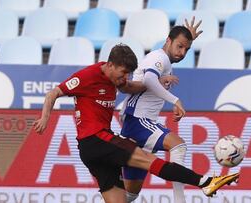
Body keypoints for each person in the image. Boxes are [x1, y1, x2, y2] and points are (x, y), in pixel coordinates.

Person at [33, 44, 239, 203]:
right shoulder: (87, 76)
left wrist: (157, 82)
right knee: (150, 161)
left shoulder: (116, 79)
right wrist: (44, 118)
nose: (125, 78)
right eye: (123, 73)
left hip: (91, 150)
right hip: (98, 139)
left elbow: (132, 86)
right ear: (110, 65)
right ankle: (206, 182)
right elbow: (54, 93)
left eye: (128, 73)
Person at [119, 18, 237, 203]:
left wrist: (187, 38)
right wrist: (175, 100)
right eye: (179, 47)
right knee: (178, 145)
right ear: (168, 41)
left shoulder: (164, 60)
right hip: (138, 120)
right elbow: (149, 80)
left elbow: (150, 80)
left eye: (186, 49)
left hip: (136, 124)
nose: (182, 53)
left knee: (128, 196)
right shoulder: (159, 57)